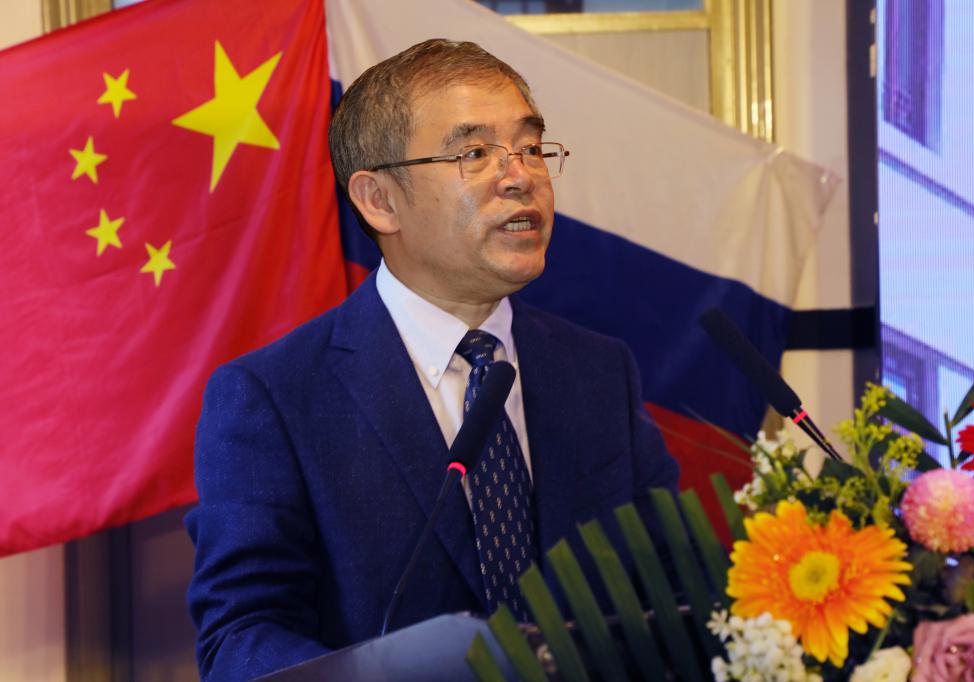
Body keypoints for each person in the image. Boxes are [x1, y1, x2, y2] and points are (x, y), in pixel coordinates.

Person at [186, 38, 679, 681]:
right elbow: (241, 640)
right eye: (474, 154)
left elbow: (673, 590)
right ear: (379, 200)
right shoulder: (273, 398)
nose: (520, 176)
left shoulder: (600, 371)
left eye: (531, 147)